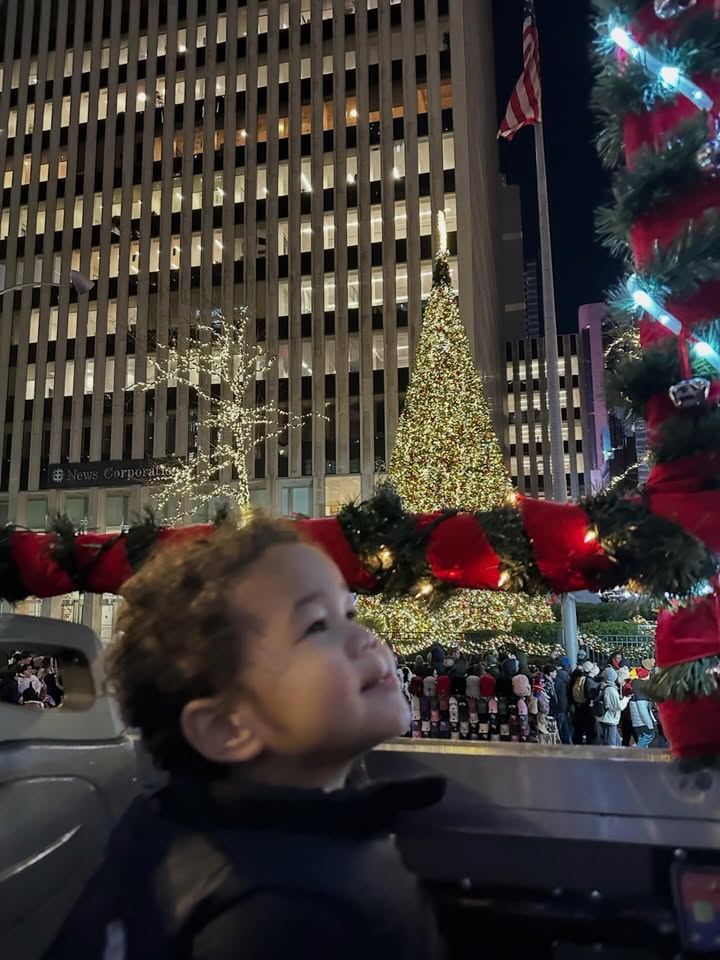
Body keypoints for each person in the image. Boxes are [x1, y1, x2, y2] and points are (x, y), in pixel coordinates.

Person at [46, 516, 446, 960]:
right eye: (316, 626)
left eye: (348, 613)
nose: (366, 639)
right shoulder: (274, 914)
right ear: (227, 728)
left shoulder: (175, 829)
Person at [599, 666, 630, 747]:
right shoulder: (611, 690)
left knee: (616, 742)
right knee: (611, 744)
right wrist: (626, 699)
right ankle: (611, 758)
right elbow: (619, 706)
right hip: (611, 719)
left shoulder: (607, 687)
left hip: (608, 718)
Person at [629, 668, 656, 748]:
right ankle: (636, 750)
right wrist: (650, 724)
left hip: (636, 722)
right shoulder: (642, 692)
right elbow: (643, 710)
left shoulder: (634, 687)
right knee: (650, 735)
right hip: (643, 721)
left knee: (642, 738)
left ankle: (642, 756)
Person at [553, 658, 572, 745]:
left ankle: (564, 742)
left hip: (559, 704)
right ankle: (569, 741)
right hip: (566, 703)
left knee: (561, 725)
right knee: (566, 724)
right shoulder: (568, 675)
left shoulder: (557, 677)